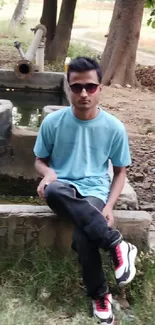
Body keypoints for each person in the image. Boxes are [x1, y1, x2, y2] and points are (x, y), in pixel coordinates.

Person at [33, 56, 137, 325]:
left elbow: (119, 173)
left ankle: (100, 296)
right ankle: (117, 245)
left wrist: (108, 207)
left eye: (90, 87)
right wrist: (48, 174)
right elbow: (39, 160)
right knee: (53, 191)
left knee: (84, 236)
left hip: (93, 190)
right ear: (68, 88)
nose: (83, 94)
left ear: (100, 88)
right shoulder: (53, 123)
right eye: (76, 87)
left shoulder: (114, 127)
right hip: (63, 188)